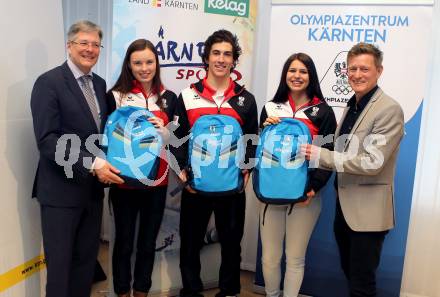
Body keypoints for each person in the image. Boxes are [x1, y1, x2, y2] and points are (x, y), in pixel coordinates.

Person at [302, 43, 404, 297]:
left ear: (379, 71)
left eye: (364, 69)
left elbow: (372, 162)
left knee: (362, 284)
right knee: (351, 274)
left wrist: (321, 155)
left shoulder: (388, 109)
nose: (357, 74)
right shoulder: (353, 104)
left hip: (367, 214)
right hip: (345, 209)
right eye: (352, 68)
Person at [30, 20, 123, 297]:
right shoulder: (48, 83)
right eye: (83, 42)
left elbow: (101, 135)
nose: (90, 49)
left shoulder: (100, 83)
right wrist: (94, 164)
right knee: (60, 271)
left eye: (95, 44)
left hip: (91, 193)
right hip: (60, 193)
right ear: (69, 45)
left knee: (85, 266)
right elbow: (48, 141)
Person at [171, 29, 258, 297]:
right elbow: (177, 139)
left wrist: (246, 169)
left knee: (231, 244)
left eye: (227, 54)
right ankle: (191, 290)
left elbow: (252, 139)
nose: (221, 59)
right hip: (195, 187)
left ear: (234, 61)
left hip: (231, 188)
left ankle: (229, 291)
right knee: (190, 243)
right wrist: (183, 172)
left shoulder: (246, 99)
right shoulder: (186, 96)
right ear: (206, 57)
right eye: (216, 53)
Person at [259, 53, 337, 297]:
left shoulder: (323, 111)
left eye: (303, 71)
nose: (297, 76)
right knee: (270, 258)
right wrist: (263, 128)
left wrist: (314, 188)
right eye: (292, 70)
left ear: (311, 76)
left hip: (305, 196)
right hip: (270, 195)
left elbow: (328, 153)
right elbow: (258, 149)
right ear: (285, 74)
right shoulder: (270, 107)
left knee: (295, 258)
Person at [106, 38, 177, 297]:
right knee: (123, 243)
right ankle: (122, 292)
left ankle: (141, 293)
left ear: (157, 63)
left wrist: (167, 135)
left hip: (157, 183)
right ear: (129, 64)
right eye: (138, 63)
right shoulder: (115, 96)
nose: (144, 68)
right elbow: (103, 137)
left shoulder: (169, 98)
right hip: (122, 182)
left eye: (149, 62)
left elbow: (178, 139)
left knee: (148, 244)